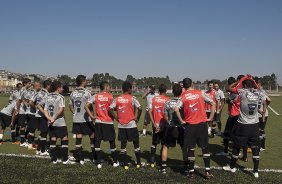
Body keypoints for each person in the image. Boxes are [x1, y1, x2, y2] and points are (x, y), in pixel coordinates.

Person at [223, 75, 265, 178]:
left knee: (237, 146)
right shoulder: (259, 92)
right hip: (254, 125)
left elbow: (228, 88)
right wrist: (252, 80)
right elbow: (257, 87)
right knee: (255, 148)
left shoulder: (242, 92)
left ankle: (232, 167)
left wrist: (240, 79)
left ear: (244, 85)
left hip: (243, 125)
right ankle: (255, 171)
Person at [175, 78, 216, 180]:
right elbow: (213, 103)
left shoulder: (183, 96)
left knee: (191, 149)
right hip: (202, 124)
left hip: (190, 126)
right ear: (192, 84)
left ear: (183, 86)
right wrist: (210, 117)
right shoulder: (200, 93)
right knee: (205, 148)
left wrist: (181, 121)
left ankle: (192, 173)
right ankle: (208, 171)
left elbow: (176, 109)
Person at [109, 81, 142, 170]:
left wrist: (116, 118)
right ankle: (138, 163)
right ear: (129, 89)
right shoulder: (132, 98)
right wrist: (137, 118)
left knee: (123, 144)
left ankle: (125, 164)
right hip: (131, 124)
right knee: (136, 143)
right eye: (131, 88)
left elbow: (110, 109)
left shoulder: (117, 99)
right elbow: (140, 108)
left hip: (121, 125)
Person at [85, 81, 119, 168]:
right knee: (112, 141)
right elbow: (113, 108)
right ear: (106, 87)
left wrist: (92, 116)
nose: (110, 88)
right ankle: (115, 162)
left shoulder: (95, 96)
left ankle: (98, 163)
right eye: (109, 87)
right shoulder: (110, 96)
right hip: (108, 122)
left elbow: (86, 106)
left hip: (99, 122)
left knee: (98, 141)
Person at [44, 81, 75, 165]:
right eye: (61, 87)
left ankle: (54, 159)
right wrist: (54, 118)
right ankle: (65, 159)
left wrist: (49, 118)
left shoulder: (47, 96)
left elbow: (45, 110)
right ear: (58, 88)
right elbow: (61, 109)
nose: (63, 89)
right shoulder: (60, 97)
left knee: (53, 138)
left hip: (50, 122)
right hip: (59, 122)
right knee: (64, 138)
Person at [160, 83, 187, 174]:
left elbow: (165, 116)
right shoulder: (183, 102)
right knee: (184, 147)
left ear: (172, 92)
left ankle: (163, 167)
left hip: (171, 127)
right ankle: (186, 167)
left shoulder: (167, 102)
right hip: (181, 127)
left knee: (165, 146)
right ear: (181, 92)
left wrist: (169, 122)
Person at [69, 75, 95, 165]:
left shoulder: (73, 93)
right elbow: (90, 106)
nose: (87, 82)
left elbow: (70, 106)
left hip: (76, 119)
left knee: (79, 138)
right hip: (86, 119)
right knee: (92, 136)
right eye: (86, 80)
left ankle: (80, 159)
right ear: (83, 81)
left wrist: (75, 113)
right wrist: (92, 116)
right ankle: (94, 157)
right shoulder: (88, 92)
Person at [216, 77, 240, 156]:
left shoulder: (234, 92)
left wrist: (228, 99)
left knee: (226, 134)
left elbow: (228, 100)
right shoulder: (241, 91)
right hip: (239, 116)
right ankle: (238, 152)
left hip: (233, 115)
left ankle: (226, 151)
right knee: (237, 135)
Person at [148, 84, 169, 168]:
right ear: (166, 91)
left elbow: (149, 111)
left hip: (155, 125)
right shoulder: (167, 99)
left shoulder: (153, 99)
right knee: (163, 144)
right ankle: (161, 161)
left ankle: (152, 161)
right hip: (164, 126)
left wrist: (153, 123)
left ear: (158, 90)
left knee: (154, 143)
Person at [33, 80, 51, 156]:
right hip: (42, 116)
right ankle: (42, 151)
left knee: (42, 133)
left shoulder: (39, 93)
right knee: (44, 133)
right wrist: (45, 114)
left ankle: (38, 149)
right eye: (51, 85)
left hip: (37, 115)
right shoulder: (46, 94)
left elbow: (33, 102)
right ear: (48, 86)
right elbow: (40, 105)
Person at [16, 78, 32, 147]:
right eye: (29, 83)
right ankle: (22, 142)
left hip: (26, 111)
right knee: (22, 126)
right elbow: (18, 100)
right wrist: (18, 109)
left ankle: (24, 139)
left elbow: (24, 99)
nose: (30, 84)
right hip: (22, 111)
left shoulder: (26, 90)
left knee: (25, 125)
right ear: (25, 84)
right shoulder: (22, 90)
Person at [256, 79, 271, 151]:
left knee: (260, 130)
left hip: (262, 115)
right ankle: (261, 146)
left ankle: (261, 146)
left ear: (259, 85)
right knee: (260, 130)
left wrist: (264, 111)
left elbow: (268, 100)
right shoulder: (258, 91)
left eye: (257, 84)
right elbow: (269, 100)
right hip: (259, 114)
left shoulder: (262, 92)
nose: (256, 85)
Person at [26, 82, 41, 150]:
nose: (40, 87)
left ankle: (31, 142)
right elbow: (30, 102)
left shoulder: (30, 92)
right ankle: (30, 144)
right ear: (36, 86)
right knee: (32, 130)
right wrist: (36, 108)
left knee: (31, 129)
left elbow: (26, 100)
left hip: (28, 112)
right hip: (32, 114)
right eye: (39, 86)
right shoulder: (35, 93)